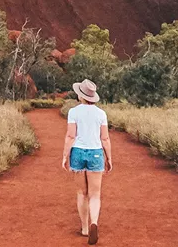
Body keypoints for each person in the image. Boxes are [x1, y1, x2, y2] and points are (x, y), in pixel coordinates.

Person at [62, 79, 112, 244]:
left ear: (80, 95)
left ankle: (84, 228)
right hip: (95, 153)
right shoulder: (101, 114)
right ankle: (94, 222)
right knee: (95, 194)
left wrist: (65, 156)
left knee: (81, 193)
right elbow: (105, 138)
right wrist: (109, 158)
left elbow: (71, 136)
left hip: (77, 152)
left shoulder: (73, 112)